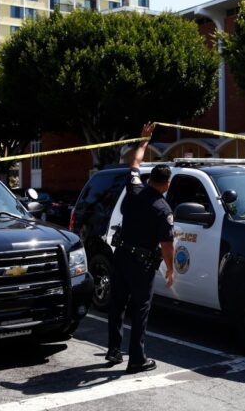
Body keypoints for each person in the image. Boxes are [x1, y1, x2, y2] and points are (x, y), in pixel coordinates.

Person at [106, 122, 175, 373]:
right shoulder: (163, 209)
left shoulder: (135, 188)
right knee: (140, 309)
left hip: (121, 256)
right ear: (166, 183)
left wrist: (144, 140)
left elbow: (134, 163)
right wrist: (170, 269)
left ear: (150, 179)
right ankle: (137, 359)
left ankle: (114, 350)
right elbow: (167, 245)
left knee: (117, 304)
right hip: (141, 264)